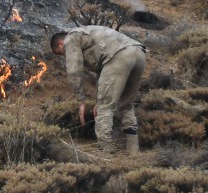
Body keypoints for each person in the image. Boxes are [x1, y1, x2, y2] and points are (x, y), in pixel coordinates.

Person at [50, 26, 145, 154]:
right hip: (138, 52)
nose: (65, 55)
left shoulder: (70, 38)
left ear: (61, 43)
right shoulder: (89, 32)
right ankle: (134, 152)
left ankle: (103, 155)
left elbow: (74, 70)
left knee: (105, 109)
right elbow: (103, 70)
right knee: (126, 105)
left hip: (119, 56)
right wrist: (98, 100)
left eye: (62, 53)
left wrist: (80, 100)